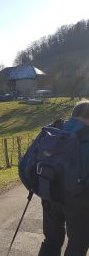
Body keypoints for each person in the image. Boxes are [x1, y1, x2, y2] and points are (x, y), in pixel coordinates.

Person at [38, 100, 89, 256]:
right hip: (79, 200)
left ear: (74, 114)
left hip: (49, 194)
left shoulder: (55, 130)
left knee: (51, 241)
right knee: (78, 244)